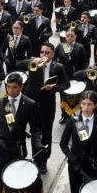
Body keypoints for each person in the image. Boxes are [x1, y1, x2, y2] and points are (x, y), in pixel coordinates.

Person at [0, 73, 42, 193]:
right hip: (2, 150)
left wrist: (37, 144)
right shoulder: (0, 102)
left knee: (15, 185)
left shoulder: (29, 104)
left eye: (14, 87)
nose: (11, 91)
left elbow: (35, 129)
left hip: (18, 150)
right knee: (2, 183)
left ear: (21, 87)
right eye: (8, 87)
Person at [18, 43, 69, 174]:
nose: (44, 55)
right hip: (32, 103)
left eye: (47, 53)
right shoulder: (33, 63)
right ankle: (35, 158)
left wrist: (54, 88)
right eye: (42, 52)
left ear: (52, 54)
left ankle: (44, 161)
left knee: (46, 134)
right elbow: (17, 64)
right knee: (35, 133)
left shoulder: (58, 67)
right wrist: (32, 60)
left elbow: (66, 84)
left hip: (47, 105)